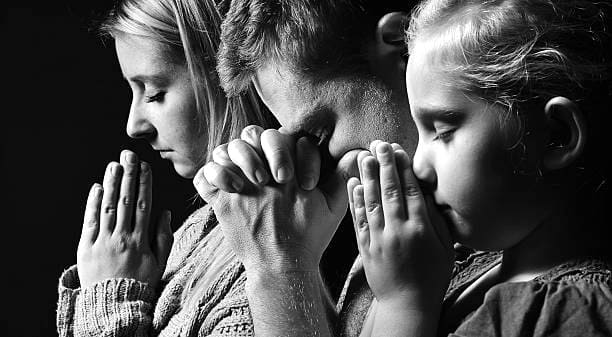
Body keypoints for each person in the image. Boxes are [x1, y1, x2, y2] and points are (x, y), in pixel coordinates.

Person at [343, 0, 612, 336]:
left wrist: (403, 302)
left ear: (557, 136)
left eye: (442, 132)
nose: (419, 167)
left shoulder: (573, 313)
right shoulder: (461, 265)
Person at [194, 0, 421, 336]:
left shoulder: (489, 231)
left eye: (319, 132)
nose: (319, 163)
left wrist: (278, 267)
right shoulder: (391, 238)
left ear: (401, 43)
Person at [56, 0, 272, 336]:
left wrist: (109, 303)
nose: (134, 125)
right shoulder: (196, 234)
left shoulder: (275, 253)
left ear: (227, 73)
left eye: (154, 93)